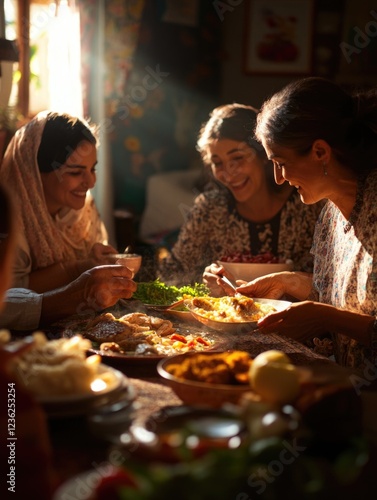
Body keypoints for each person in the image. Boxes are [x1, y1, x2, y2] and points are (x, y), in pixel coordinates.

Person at [236, 76, 377, 373]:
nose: (278, 178)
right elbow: (344, 296)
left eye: (281, 162)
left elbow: (335, 313)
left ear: (320, 153)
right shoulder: (330, 215)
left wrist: (325, 318)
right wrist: (286, 281)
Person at [157, 103, 322, 293]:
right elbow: (169, 275)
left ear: (263, 154)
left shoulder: (306, 205)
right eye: (217, 163)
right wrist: (206, 281)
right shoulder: (209, 209)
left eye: (237, 158)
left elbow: (328, 285)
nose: (228, 173)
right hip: (226, 319)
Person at [0, 113, 137, 331]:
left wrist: (96, 263)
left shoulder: (82, 213)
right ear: (33, 173)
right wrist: (78, 268)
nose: (90, 182)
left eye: (93, 169)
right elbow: (9, 291)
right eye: (75, 172)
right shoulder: (11, 218)